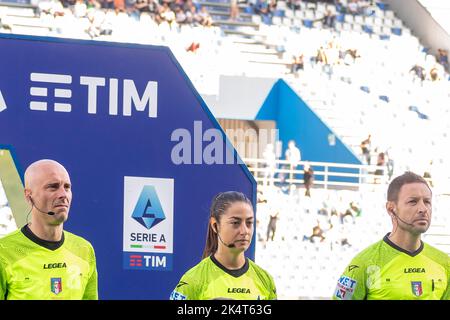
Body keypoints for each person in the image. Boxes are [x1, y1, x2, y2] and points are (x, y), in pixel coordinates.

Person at [333, 172, 450, 300]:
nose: (423, 208)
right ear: (391, 209)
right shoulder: (363, 264)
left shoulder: (444, 263)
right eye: (413, 201)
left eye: (427, 202)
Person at [0, 159, 98, 300]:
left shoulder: (84, 249)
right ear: (29, 196)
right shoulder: (4, 252)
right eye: (53, 187)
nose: (63, 194)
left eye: (67, 187)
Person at [170, 191, 277, 300]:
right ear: (215, 225)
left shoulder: (266, 280)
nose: (245, 231)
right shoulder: (193, 280)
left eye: (249, 223)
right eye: (235, 223)